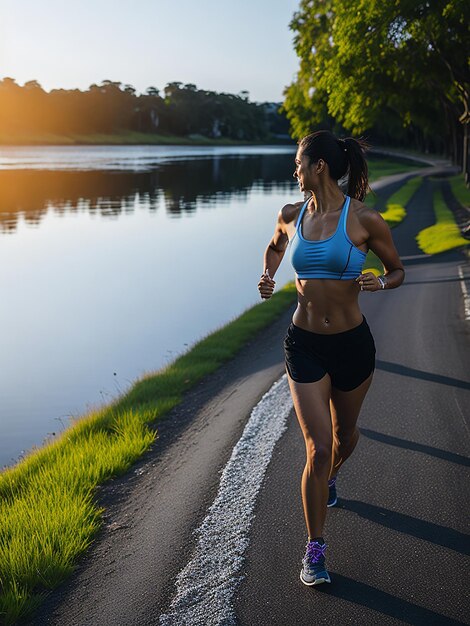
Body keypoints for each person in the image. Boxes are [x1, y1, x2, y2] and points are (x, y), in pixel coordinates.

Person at [257, 130, 404, 586]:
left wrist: (381, 282)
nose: (294, 171)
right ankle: (315, 549)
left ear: (318, 166)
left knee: (343, 437)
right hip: (303, 344)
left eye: (299, 163)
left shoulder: (363, 220)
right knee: (317, 448)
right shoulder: (290, 214)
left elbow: (397, 269)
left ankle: (331, 476)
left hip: (352, 345)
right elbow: (276, 247)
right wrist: (267, 275)